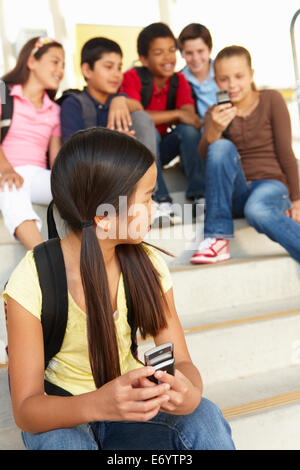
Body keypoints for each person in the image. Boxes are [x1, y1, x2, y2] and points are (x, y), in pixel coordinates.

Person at [4, 127, 235, 450]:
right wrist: (100, 403)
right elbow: (27, 410)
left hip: (129, 399)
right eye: (148, 197)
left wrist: (189, 390)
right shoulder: (32, 278)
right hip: (61, 408)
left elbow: (182, 361)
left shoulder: (147, 265)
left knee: (205, 415)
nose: (154, 208)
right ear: (105, 218)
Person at [190, 45, 300, 264]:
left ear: (251, 75)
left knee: (257, 210)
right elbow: (206, 154)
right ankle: (217, 237)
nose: (232, 85)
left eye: (239, 76)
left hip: (271, 185)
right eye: (223, 79)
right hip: (236, 192)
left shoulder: (271, 100)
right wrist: (215, 130)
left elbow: (286, 152)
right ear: (215, 81)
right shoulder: (215, 111)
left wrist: (297, 200)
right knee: (220, 147)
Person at [121, 22, 206, 223]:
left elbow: (191, 118)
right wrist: (176, 113)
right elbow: (137, 115)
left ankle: (199, 195)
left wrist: (178, 115)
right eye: (159, 52)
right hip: (140, 151)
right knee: (147, 127)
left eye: (171, 51)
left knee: (188, 131)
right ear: (143, 58)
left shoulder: (178, 80)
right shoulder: (132, 77)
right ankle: (159, 199)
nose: (168, 57)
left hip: (164, 149)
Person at [0, 37, 64, 250]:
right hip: (5, 172)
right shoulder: (2, 91)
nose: (60, 70)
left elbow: (56, 160)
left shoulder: (55, 110)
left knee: (75, 190)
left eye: (63, 65)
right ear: (31, 62)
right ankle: (44, 257)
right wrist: (7, 170)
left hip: (36, 176)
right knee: (11, 189)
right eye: (55, 62)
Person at [60, 37, 156, 155]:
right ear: (87, 70)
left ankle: (151, 172)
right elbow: (73, 153)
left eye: (119, 68)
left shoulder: (118, 99)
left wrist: (122, 101)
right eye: (108, 67)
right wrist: (114, 143)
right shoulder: (74, 104)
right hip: (91, 169)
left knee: (141, 117)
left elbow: (139, 108)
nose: (116, 74)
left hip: (124, 168)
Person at [178, 23, 218, 122]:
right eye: (189, 53)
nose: (195, 58)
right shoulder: (179, 80)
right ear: (182, 54)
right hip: (197, 131)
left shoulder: (223, 72)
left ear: (210, 49)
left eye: (200, 51)